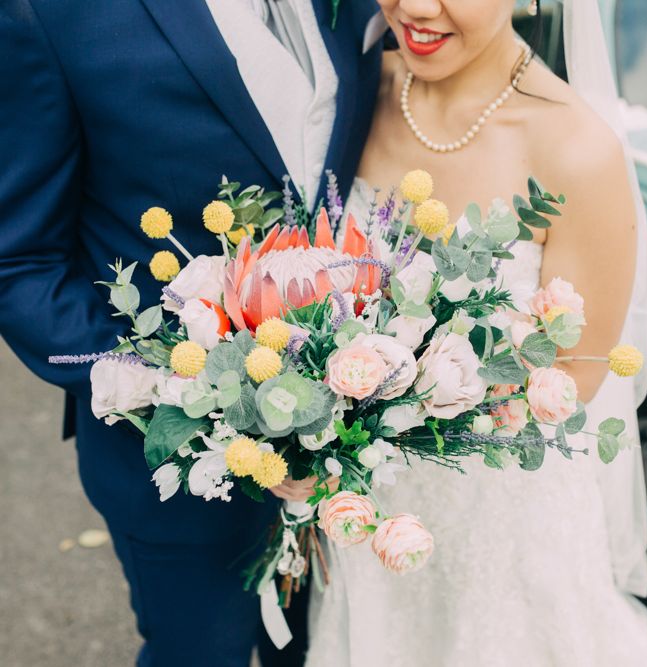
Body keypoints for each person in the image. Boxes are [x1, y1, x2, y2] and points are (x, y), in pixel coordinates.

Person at [304, 1, 647, 665]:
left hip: (505, 519)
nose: (416, 8)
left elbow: (575, 373)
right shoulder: (355, 96)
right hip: (371, 514)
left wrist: (421, 389)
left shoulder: (574, 146)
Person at [0, 1, 381, 665]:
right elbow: (19, 262)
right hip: (172, 461)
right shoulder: (48, 14)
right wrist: (159, 382)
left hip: (350, 442)